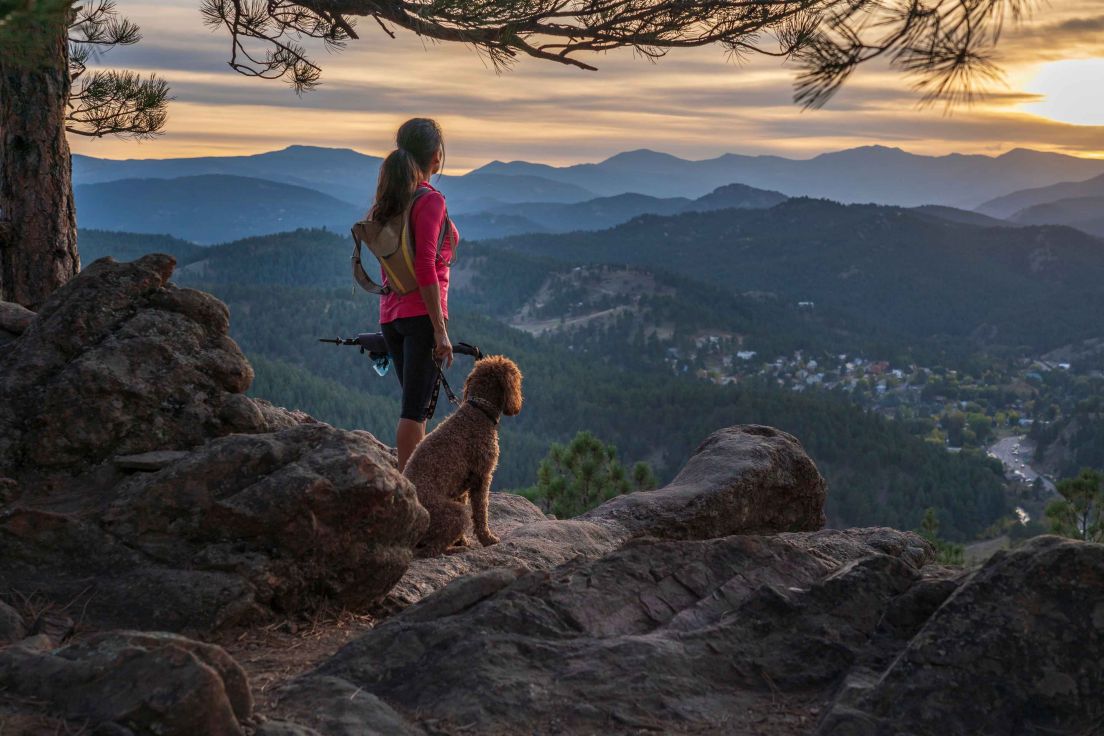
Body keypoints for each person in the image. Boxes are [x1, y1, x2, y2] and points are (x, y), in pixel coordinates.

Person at [369, 118, 459, 472]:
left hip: (391, 314)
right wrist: (439, 329)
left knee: (416, 405)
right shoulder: (430, 200)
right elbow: (425, 266)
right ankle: (414, 493)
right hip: (421, 316)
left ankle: (415, 487)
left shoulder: (393, 197)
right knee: (415, 410)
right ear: (436, 157)